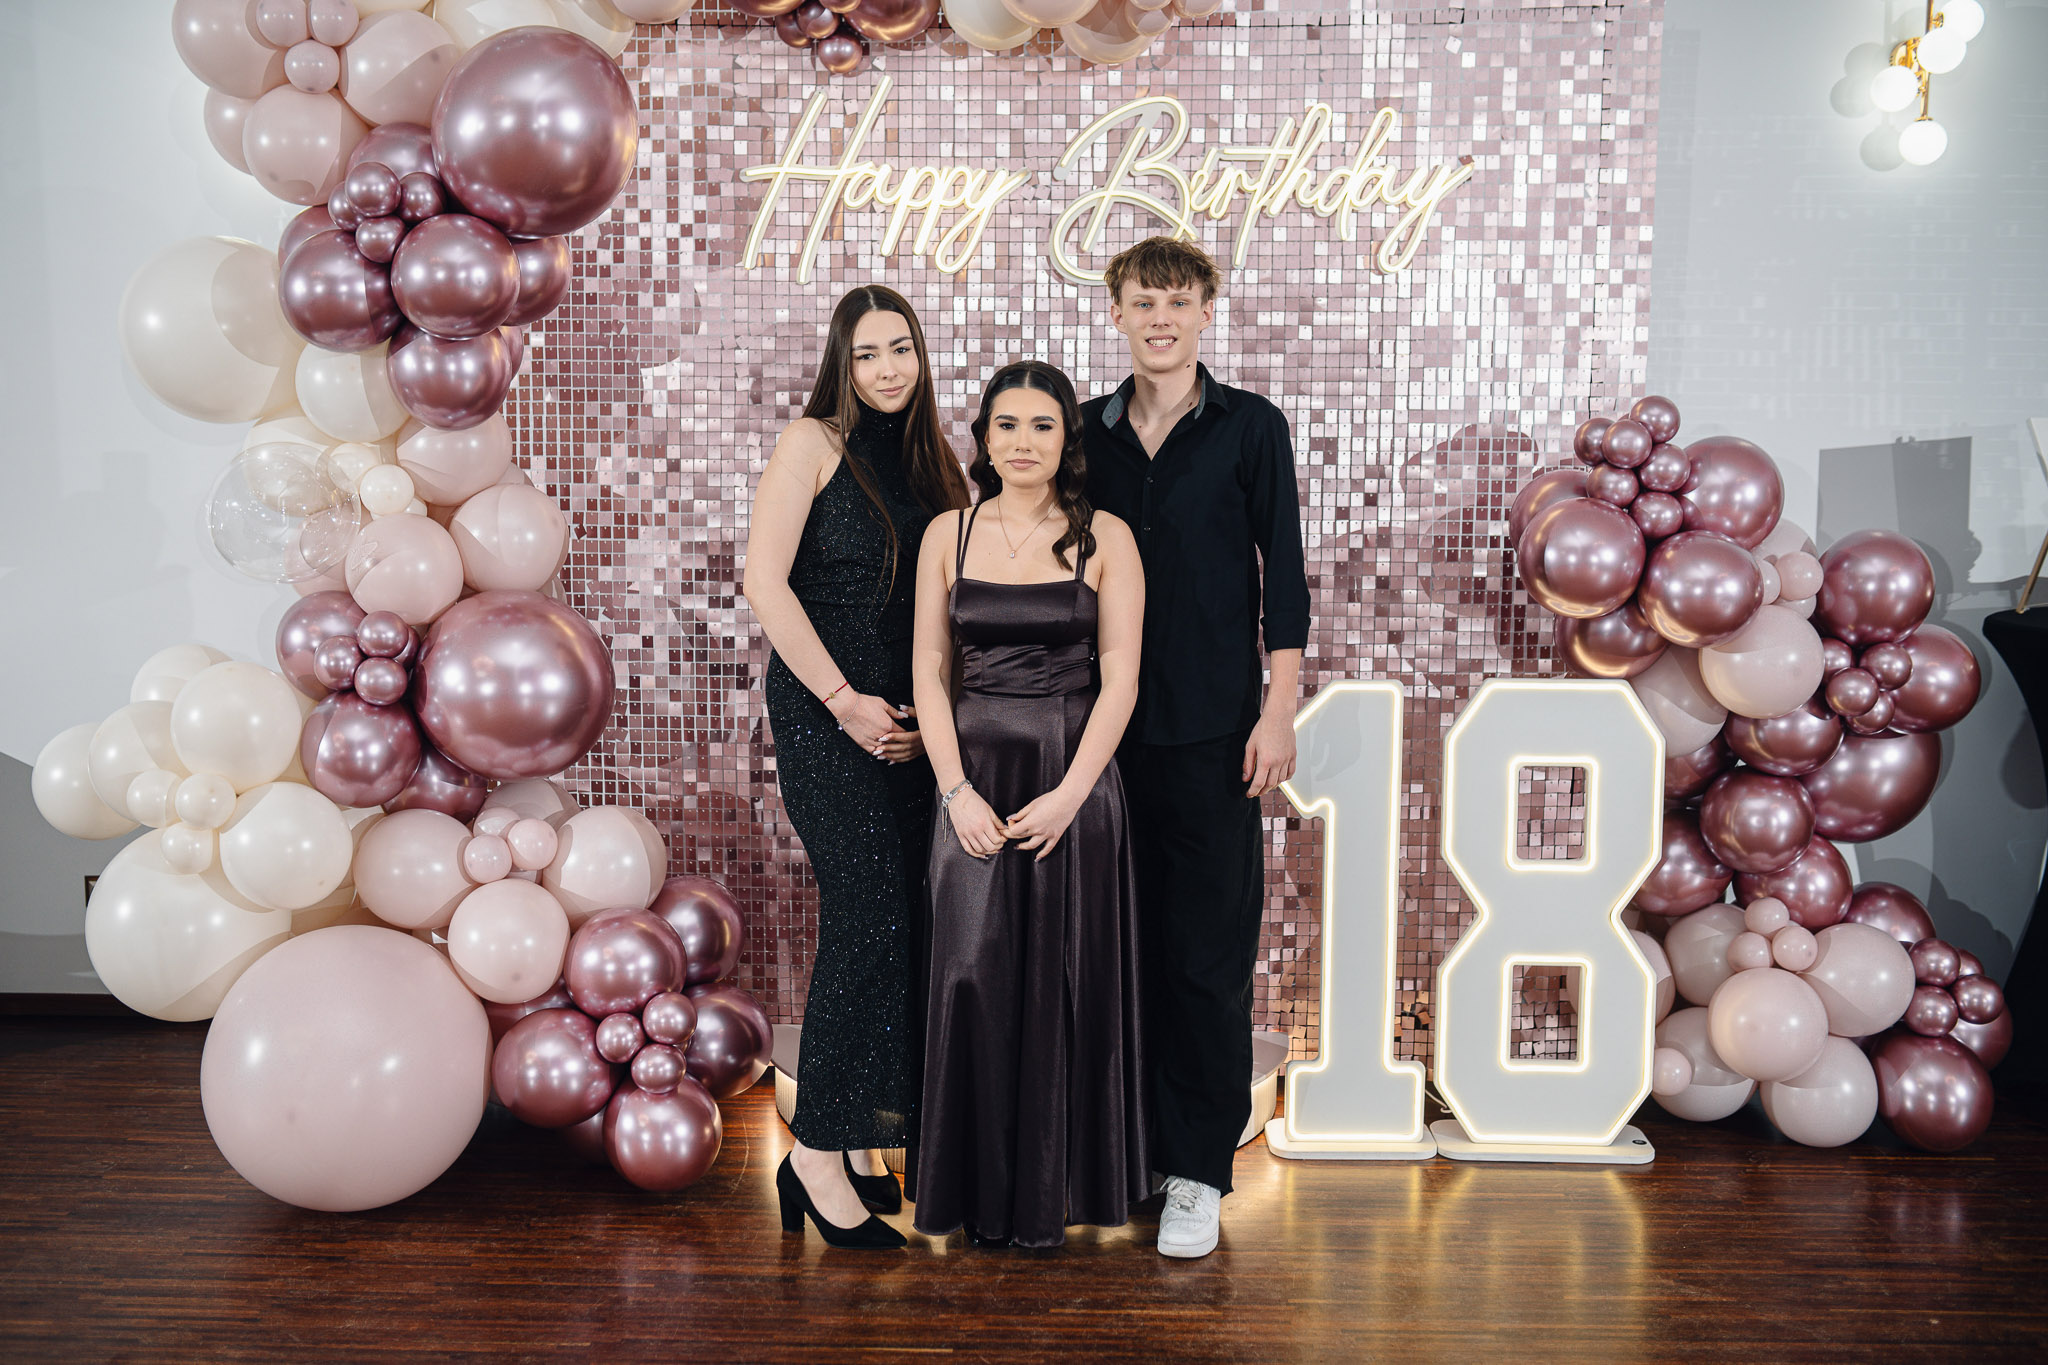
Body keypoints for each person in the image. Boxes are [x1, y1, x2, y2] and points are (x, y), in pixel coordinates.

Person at [1079, 236, 1310, 1259]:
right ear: (1117, 313)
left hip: (1214, 734)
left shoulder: (1250, 427)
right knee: (1109, 954)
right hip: (1094, 737)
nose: (1160, 318)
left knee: (1205, 963)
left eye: (1177, 301)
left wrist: (1278, 709)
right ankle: (1120, 1150)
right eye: (1143, 302)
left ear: (1206, 311)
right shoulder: (1080, 432)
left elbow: (1284, 578)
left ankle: (1196, 1172)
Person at [742, 285, 971, 1249]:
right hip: (827, 711)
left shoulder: (936, 462)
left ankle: (874, 1138)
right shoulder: (812, 443)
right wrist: (844, 701)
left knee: (908, 921)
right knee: (868, 912)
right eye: (868, 352)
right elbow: (763, 582)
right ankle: (816, 1153)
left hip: (911, 724)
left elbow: (954, 602)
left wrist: (937, 720)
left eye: (901, 348)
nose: (886, 368)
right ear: (842, 361)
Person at [908, 361, 1149, 1249]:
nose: (1022, 442)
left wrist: (1070, 797)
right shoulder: (949, 531)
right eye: (1006, 425)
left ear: (1066, 440)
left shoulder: (1106, 537)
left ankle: (1058, 1195)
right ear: (983, 438)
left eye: (1043, 425)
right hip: (971, 776)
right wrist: (955, 791)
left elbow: (1121, 680)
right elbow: (929, 671)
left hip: (1072, 778)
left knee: (1064, 984)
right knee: (969, 974)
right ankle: (976, 1195)